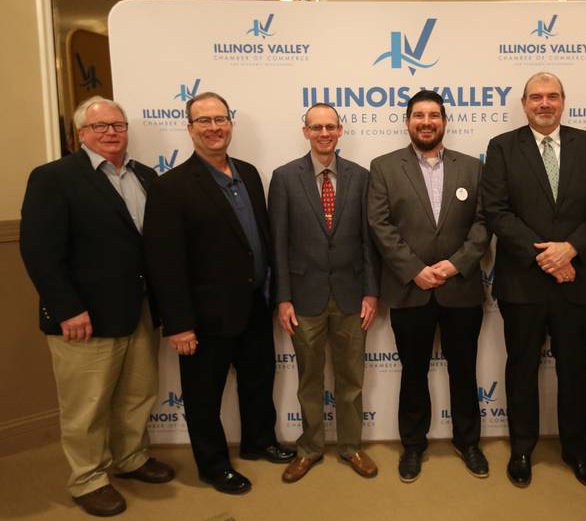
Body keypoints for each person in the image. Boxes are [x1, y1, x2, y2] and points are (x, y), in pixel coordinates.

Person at [20, 96, 174, 517]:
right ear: (80, 134)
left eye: (118, 125)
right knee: (86, 405)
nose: (111, 132)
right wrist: (66, 308)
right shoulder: (54, 178)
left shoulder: (145, 175)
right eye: (100, 126)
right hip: (83, 317)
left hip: (140, 309)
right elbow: (39, 251)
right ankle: (87, 478)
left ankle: (131, 458)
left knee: (138, 393)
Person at [143, 91, 295, 495]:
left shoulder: (248, 172)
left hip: (253, 307)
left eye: (220, 119)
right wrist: (179, 324)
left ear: (230, 123)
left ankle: (259, 441)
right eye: (204, 121)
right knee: (203, 397)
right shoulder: (170, 186)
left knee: (258, 382)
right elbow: (164, 263)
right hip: (204, 318)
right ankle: (212, 466)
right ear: (190, 128)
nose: (214, 128)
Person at [481, 72, 586, 489]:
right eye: (536, 97)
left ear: (564, 101)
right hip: (523, 282)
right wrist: (548, 256)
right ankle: (522, 449)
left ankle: (576, 452)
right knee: (521, 366)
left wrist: (571, 249)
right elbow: (497, 211)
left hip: (577, 279)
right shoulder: (503, 147)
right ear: (524, 104)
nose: (545, 103)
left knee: (574, 370)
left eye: (552, 96)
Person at [368, 90, 490, 482]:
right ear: (407, 122)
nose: (426, 122)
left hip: (461, 289)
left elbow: (484, 223)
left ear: (444, 121)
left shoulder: (473, 167)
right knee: (414, 371)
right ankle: (413, 445)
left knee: (464, 369)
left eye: (433, 115)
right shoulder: (384, 167)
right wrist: (415, 269)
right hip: (410, 289)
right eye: (418, 115)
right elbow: (380, 225)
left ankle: (468, 441)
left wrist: (455, 265)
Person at [269, 103, 380, 482]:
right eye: (316, 127)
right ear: (305, 132)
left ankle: (351, 447)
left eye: (330, 126)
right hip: (304, 298)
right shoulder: (284, 178)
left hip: (352, 297)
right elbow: (278, 244)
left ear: (340, 130)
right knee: (309, 381)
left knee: (351, 380)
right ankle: (309, 449)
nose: (323, 133)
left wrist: (371, 293)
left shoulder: (361, 177)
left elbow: (369, 242)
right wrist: (283, 297)